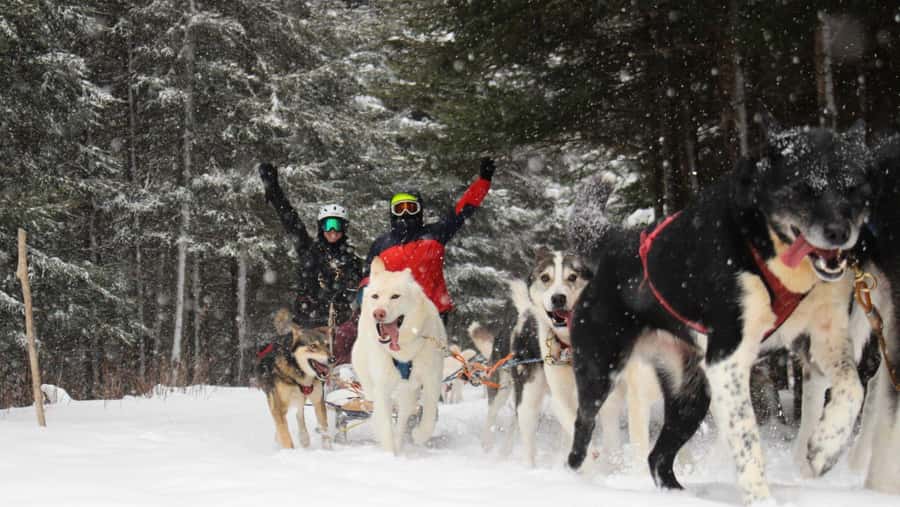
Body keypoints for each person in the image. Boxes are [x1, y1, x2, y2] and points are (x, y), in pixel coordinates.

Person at [360, 157, 496, 325]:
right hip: (395, 314)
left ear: (419, 210)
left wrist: (483, 182)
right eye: (399, 208)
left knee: (431, 351)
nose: (405, 213)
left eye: (410, 208)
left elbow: (463, 209)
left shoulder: (436, 234)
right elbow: (369, 276)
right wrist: (363, 297)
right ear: (392, 212)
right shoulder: (381, 244)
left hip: (433, 313)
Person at [258, 162, 363, 364]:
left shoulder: (352, 259)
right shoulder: (309, 250)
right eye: (328, 225)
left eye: (338, 225)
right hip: (307, 322)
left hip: (337, 326)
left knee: (339, 365)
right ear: (320, 227)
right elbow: (290, 220)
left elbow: (359, 289)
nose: (333, 231)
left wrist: (344, 293)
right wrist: (274, 191)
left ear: (345, 228)